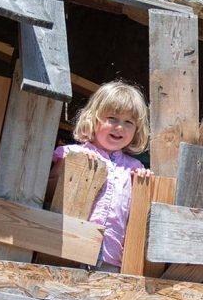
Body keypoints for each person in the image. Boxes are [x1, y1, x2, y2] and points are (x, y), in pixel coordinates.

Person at [48, 80, 152, 271]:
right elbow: (48, 191)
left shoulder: (133, 168)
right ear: (93, 119)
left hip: (112, 259)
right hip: (69, 251)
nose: (119, 127)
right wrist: (72, 167)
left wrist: (143, 182)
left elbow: (141, 213)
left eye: (128, 122)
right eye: (112, 118)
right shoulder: (71, 153)